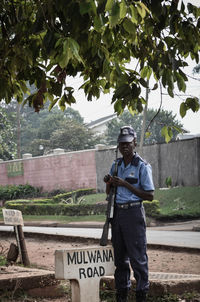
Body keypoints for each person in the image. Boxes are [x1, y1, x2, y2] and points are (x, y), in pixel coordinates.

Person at [104, 126, 155, 302]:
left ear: (134, 143)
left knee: (138, 258)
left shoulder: (142, 166)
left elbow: (149, 195)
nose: (124, 146)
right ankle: (122, 295)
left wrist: (126, 184)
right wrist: (109, 182)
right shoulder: (116, 165)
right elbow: (107, 192)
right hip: (117, 214)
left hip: (133, 213)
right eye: (121, 143)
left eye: (127, 143)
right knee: (120, 260)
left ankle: (141, 294)